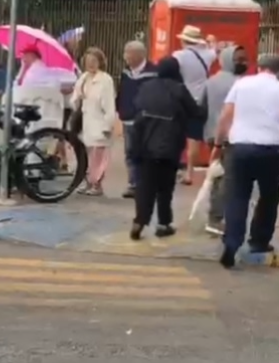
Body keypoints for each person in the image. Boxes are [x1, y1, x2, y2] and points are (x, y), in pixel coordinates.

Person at [214, 53, 279, 269]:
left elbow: (226, 116)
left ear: (259, 68)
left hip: (239, 148)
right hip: (270, 152)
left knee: (237, 197)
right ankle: (259, 241)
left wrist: (217, 144)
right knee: (269, 197)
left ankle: (232, 242)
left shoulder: (241, 85)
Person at [129, 57, 202, 240]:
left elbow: (135, 108)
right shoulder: (179, 89)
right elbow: (196, 112)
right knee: (165, 186)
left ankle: (140, 220)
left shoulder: (146, 87)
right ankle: (163, 223)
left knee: (145, 185)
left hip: (144, 144)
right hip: (170, 145)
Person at [203, 44, 249, 235]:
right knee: (227, 180)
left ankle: (215, 216)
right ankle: (216, 219)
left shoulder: (210, 81)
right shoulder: (240, 84)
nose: (243, 63)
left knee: (217, 176)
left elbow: (201, 106)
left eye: (244, 59)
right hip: (230, 137)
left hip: (212, 134)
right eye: (239, 59)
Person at [174, 25, 218, 185]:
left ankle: (176, 169)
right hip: (201, 100)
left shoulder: (178, 56)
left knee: (178, 137)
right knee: (194, 139)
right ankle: (190, 173)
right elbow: (214, 45)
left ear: (184, 40)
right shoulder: (207, 55)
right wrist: (209, 41)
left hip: (183, 99)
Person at [71, 48, 117, 196]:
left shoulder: (105, 80)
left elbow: (109, 105)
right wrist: (77, 99)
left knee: (99, 155)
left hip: (100, 122)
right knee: (87, 154)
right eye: (88, 61)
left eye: (94, 61)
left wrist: (107, 125)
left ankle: (97, 184)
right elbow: (74, 98)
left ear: (100, 62)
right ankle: (88, 181)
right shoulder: (83, 78)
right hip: (86, 121)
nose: (91, 64)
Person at [116, 40, 156, 198]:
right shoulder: (126, 73)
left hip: (145, 120)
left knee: (146, 153)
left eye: (128, 53)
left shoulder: (153, 72)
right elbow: (122, 93)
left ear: (139, 55)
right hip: (128, 119)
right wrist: (120, 110)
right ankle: (133, 184)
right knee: (130, 152)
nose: (125, 57)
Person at [12, 45, 71, 132]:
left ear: (32, 55)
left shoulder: (37, 70)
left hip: (38, 109)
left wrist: (23, 68)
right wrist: (23, 67)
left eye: (25, 55)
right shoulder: (31, 69)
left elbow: (23, 85)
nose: (23, 58)